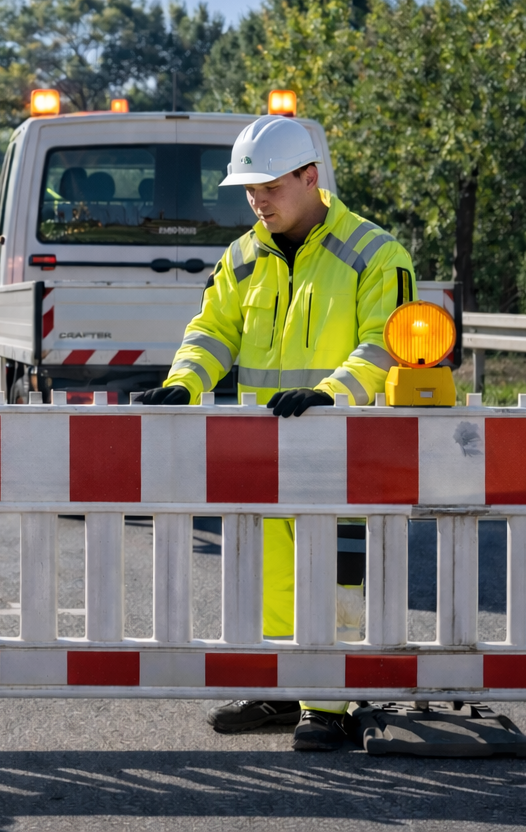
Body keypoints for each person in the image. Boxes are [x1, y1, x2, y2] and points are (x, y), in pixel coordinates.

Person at [134, 115, 416, 751]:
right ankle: (282, 691)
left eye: (268, 186)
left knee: (335, 581)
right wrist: (185, 382)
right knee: (269, 576)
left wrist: (328, 396)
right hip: (267, 449)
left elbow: (383, 346)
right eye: (248, 189)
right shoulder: (241, 257)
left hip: (343, 450)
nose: (256, 200)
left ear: (309, 178)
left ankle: (330, 706)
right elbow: (212, 333)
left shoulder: (376, 253)